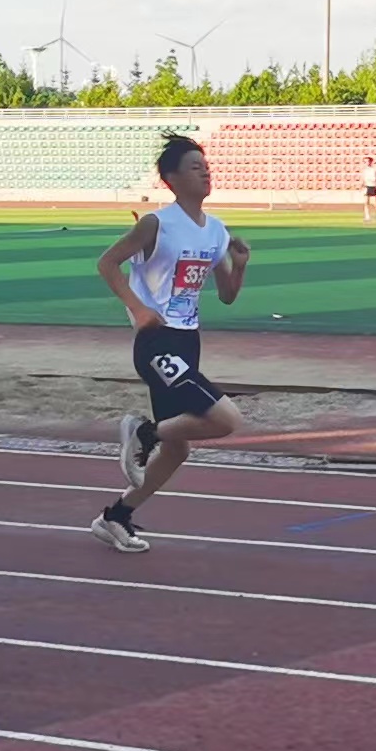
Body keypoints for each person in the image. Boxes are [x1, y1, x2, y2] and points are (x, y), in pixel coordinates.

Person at [92, 134, 250, 552]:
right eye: (194, 166)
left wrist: (240, 265)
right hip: (155, 341)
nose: (205, 170)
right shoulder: (156, 224)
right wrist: (138, 310)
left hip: (187, 341)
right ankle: (142, 431)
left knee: (177, 449)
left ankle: (116, 517)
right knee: (226, 419)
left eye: (206, 164)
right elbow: (107, 263)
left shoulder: (216, 231)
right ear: (171, 179)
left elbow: (228, 295)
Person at [362, 156, 376, 223]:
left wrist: (374, 179)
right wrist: (362, 185)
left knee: (375, 204)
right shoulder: (364, 170)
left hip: (372, 186)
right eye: (365, 162)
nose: (366, 163)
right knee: (366, 203)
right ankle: (367, 217)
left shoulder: (375, 169)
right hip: (366, 186)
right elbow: (363, 179)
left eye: (367, 161)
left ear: (371, 162)